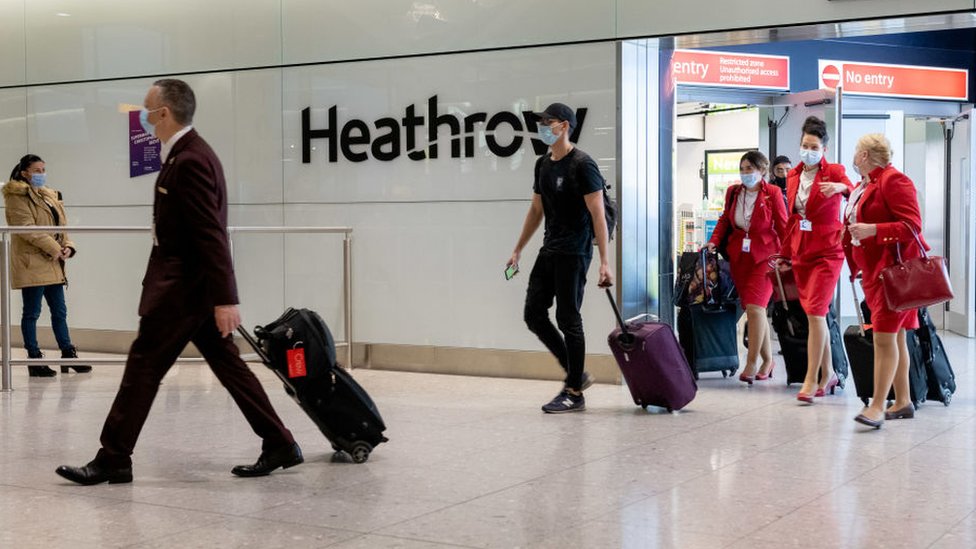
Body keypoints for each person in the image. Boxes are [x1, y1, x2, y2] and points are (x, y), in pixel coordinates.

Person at [56, 79, 301, 485]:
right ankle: (279, 442)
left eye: (148, 111)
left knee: (143, 367)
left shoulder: (190, 160)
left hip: (182, 290)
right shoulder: (186, 154)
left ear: (165, 113)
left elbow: (210, 233)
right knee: (229, 366)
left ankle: (114, 457)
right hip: (193, 289)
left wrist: (226, 299)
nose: (145, 118)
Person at [507, 102, 614, 414]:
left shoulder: (583, 164)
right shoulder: (543, 164)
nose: (543, 126)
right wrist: (517, 249)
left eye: (548, 121)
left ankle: (574, 391)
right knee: (533, 313)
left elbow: (598, 216)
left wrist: (604, 261)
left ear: (565, 125)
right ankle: (575, 372)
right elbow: (536, 210)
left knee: (568, 318)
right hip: (550, 248)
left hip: (576, 251)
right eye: (541, 121)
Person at [844, 134, 926, 428]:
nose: (853, 157)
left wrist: (874, 230)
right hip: (875, 271)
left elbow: (913, 226)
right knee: (897, 336)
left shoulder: (894, 180)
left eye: (856, 151)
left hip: (893, 275)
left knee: (883, 337)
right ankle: (903, 401)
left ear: (864, 155)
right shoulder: (865, 185)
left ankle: (878, 405)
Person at [780, 116, 853, 404]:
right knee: (814, 315)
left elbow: (852, 188)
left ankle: (811, 379)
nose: (808, 150)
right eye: (804, 145)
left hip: (827, 251)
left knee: (816, 313)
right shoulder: (793, 175)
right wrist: (785, 252)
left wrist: (840, 188)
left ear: (824, 148)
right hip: (802, 251)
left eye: (814, 146)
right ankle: (830, 373)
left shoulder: (834, 170)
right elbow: (793, 218)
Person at [3, 155, 89, 377]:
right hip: (33, 261)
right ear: (24, 173)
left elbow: (62, 227)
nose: (42, 174)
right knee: (32, 312)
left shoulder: (49, 195)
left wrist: (68, 246)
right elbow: (27, 228)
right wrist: (55, 249)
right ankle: (34, 359)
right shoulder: (16, 196)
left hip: (53, 262)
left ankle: (68, 354)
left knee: (60, 311)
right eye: (37, 170)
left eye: (43, 170)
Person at [706, 151, 788, 383]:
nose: (745, 173)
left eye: (750, 169)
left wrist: (786, 256)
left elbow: (783, 226)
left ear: (762, 171)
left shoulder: (772, 194)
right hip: (740, 257)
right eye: (742, 169)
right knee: (754, 310)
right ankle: (767, 360)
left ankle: (751, 362)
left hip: (765, 257)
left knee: (755, 307)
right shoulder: (734, 192)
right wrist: (714, 240)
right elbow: (724, 219)